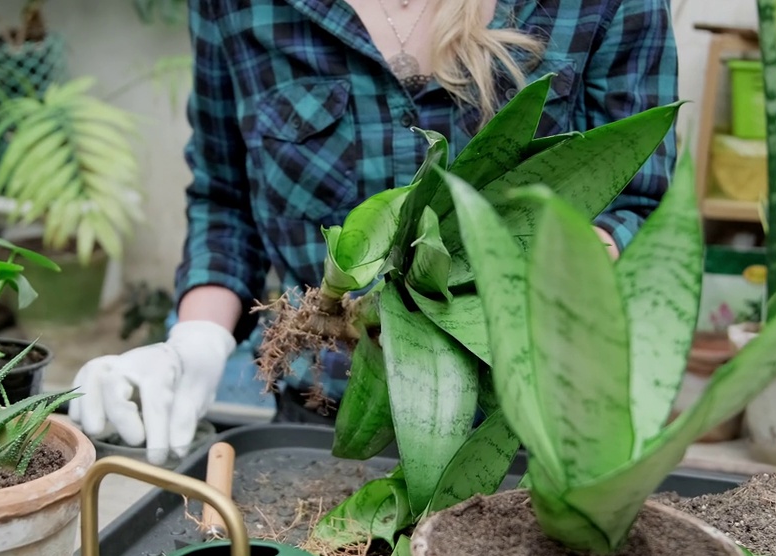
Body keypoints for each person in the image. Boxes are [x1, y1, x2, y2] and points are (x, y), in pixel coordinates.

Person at [70, 0, 678, 464]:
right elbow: (226, 198)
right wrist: (194, 341)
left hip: (528, 423)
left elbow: (639, 199)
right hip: (325, 418)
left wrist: (530, 285)